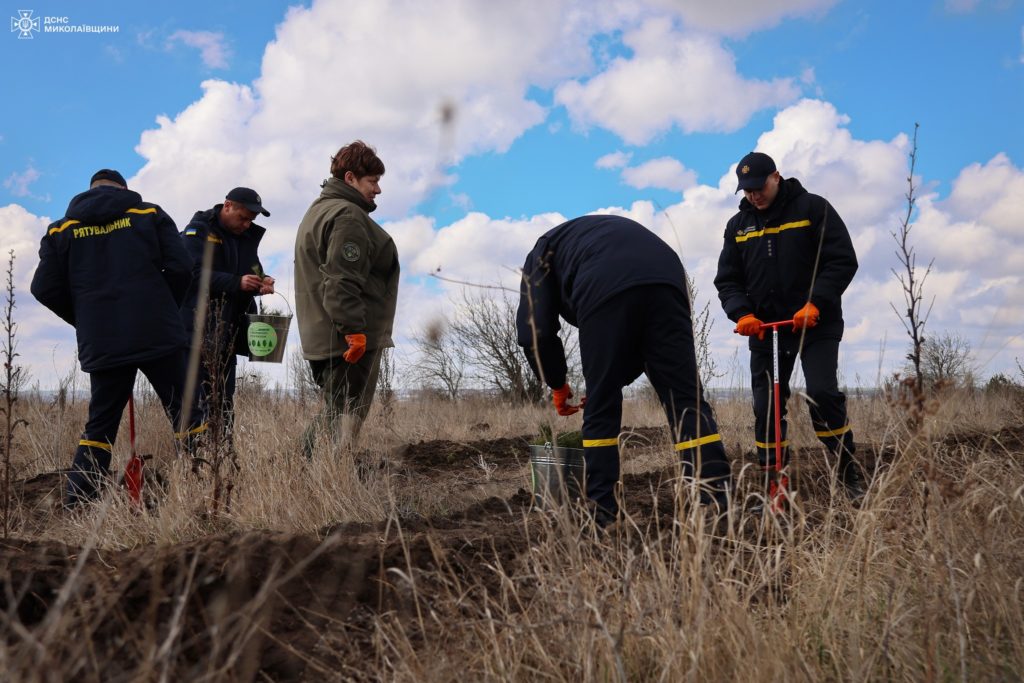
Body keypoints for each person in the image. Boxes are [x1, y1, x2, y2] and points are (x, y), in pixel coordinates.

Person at [517, 214, 733, 526]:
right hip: (667, 277)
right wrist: (611, 375)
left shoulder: (541, 253)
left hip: (603, 280)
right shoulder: (590, 237)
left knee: (602, 403)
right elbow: (642, 347)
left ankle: (603, 512)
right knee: (686, 399)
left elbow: (534, 332)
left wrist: (558, 385)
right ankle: (715, 503)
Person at [30, 169, 205, 507]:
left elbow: (43, 287)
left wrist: (85, 318)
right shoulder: (149, 213)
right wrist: (164, 308)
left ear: (91, 189)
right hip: (158, 333)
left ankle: (78, 503)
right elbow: (183, 267)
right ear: (123, 189)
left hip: (104, 339)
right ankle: (205, 487)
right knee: (186, 413)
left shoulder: (60, 230)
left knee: (100, 426)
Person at [714, 151, 865, 501]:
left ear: (776, 177)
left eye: (758, 186)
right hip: (766, 330)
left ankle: (847, 473)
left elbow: (842, 261)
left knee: (822, 394)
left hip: (815, 323)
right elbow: (727, 280)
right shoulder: (738, 227)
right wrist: (742, 315)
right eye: (746, 190)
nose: (753, 195)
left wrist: (816, 302)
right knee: (767, 408)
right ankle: (774, 486)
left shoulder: (812, 209)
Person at [294, 141, 400, 457]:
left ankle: (321, 474)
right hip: (347, 339)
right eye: (373, 181)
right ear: (351, 177)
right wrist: (354, 330)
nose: (378, 190)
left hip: (326, 334)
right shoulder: (348, 216)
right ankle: (308, 472)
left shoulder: (318, 210)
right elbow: (341, 279)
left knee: (337, 409)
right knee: (343, 413)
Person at [179, 187, 275, 446]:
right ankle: (191, 457)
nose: (247, 224)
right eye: (243, 218)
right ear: (228, 205)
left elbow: (252, 266)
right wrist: (236, 282)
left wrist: (262, 279)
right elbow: (191, 275)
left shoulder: (243, 237)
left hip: (228, 332)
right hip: (195, 332)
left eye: (251, 221)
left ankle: (222, 452)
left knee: (223, 399)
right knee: (194, 400)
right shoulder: (197, 232)